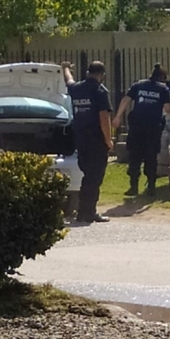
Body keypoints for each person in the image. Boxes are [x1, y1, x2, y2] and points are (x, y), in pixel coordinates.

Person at [113, 63, 170, 198]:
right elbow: (168, 108)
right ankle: (151, 187)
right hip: (153, 127)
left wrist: (118, 116)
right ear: (162, 77)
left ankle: (133, 186)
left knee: (135, 156)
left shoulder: (139, 85)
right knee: (151, 156)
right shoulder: (163, 88)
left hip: (136, 126)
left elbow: (126, 100)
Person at [62, 61, 114, 224]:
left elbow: (68, 81)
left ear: (87, 73)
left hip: (80, 139)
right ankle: (88, 212)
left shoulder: (77, 88)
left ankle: (83, 211)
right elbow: (104, 118)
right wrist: (108, 139)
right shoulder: (100, 91)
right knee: (94, 177)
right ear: (101, 75)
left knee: (87, 175)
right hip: (96, 140)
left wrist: (65, 69)